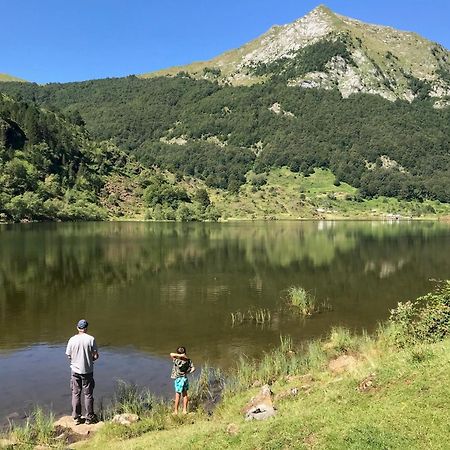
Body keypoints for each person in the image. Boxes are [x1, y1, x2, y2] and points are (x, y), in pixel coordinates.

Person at [65, 319, 99, 425]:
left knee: (76, 393)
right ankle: (89, 418)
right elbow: (95, 355)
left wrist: (74, 360)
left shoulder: (72, 339)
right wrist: (92, 359)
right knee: (88, 394)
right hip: (87, 371)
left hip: (75, 371)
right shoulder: (91, 339)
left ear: (77, 328)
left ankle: (76, 417)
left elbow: (68, 355)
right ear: (86, 328)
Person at [170, 346, 195, 415]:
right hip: (185, 378)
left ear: (179, 353)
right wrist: (188, 372)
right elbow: (193, 369)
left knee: (178, 395)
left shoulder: (177, 360)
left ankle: (176, 411)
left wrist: (180, 355)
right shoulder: (188, 361)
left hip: (178, 379)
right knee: (185, 394)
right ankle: (184, 410)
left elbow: (171, 354)